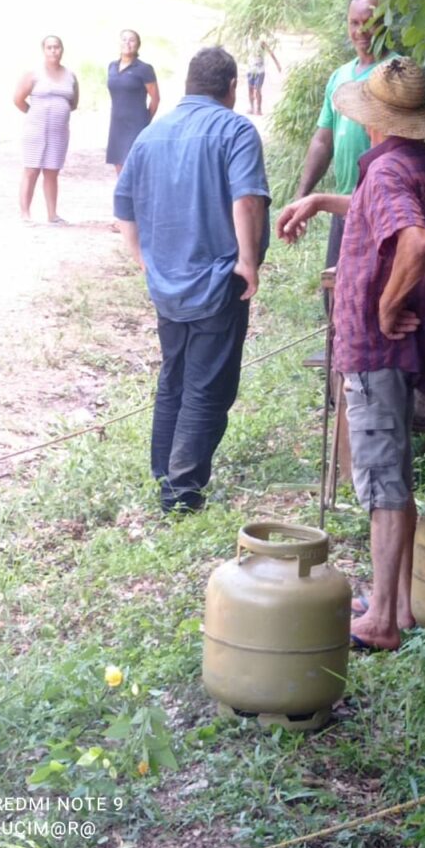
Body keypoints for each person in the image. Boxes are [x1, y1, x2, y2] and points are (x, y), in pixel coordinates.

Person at [277, 57, 425, 650]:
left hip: (378, 350)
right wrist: (325, 200)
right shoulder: (414, 162)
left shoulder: (387, 173)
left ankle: (379, 619)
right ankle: (396, 605)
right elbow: (386, 215)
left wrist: (382, 307)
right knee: (394, 474)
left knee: (381, 481)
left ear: (373, 119)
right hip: (394, 353)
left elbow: (416, 240)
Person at [114, 47, 270, 514]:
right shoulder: (236, 129)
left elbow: (123, 207)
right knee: (207, 385)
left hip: (167, 284)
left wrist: (142, 258)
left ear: (185, 85)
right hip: (217, 280)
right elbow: (247, 201)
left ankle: (163, 471)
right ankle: (180, 493)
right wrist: (248, 261)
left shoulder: (150, 134)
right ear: (231, 88)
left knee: (174, 378)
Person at [296, 0, 394, 275]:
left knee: (375, 290)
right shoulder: (339, 76)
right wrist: (302, 195)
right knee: (336, 290)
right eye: (353, 23)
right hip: (345, 204)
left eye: (369, 22)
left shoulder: (397, 72)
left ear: (385, 23)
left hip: (383, 205)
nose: (360, 31)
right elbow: (323, 139)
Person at [14, 35, 78, 224]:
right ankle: (25, 214)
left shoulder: (70, 75)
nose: (53, 51)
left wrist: (59, 112)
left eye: (56, 47)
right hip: (35, 130)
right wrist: (35, 114)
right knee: (31, 169)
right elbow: (18, 99)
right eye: (49, 47)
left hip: (59, 131)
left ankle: (52, 214)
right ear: (44, 50)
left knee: (52, 171)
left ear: (62, 49)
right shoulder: (33, 74)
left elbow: (73, 102)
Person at [106, 29, 159, 175]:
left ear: (138, 45)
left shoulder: (144, 69)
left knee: (134, 165)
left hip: (136, 123)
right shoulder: (112, 67)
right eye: (124, 39)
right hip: (117, 123)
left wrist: (146, 120)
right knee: (118, 165)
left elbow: (155, 98)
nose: (127, 43)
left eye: (132, 40)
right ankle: (123, 198)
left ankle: (137, 198)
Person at [245, 33, 281, 116]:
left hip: (259, 71)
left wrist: (277, 64)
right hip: (250, 69)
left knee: (257, 90)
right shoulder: (249, 41)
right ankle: (251, 107)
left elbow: (271, 53)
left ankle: (258, 109)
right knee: (250, 89)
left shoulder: (262, 43)